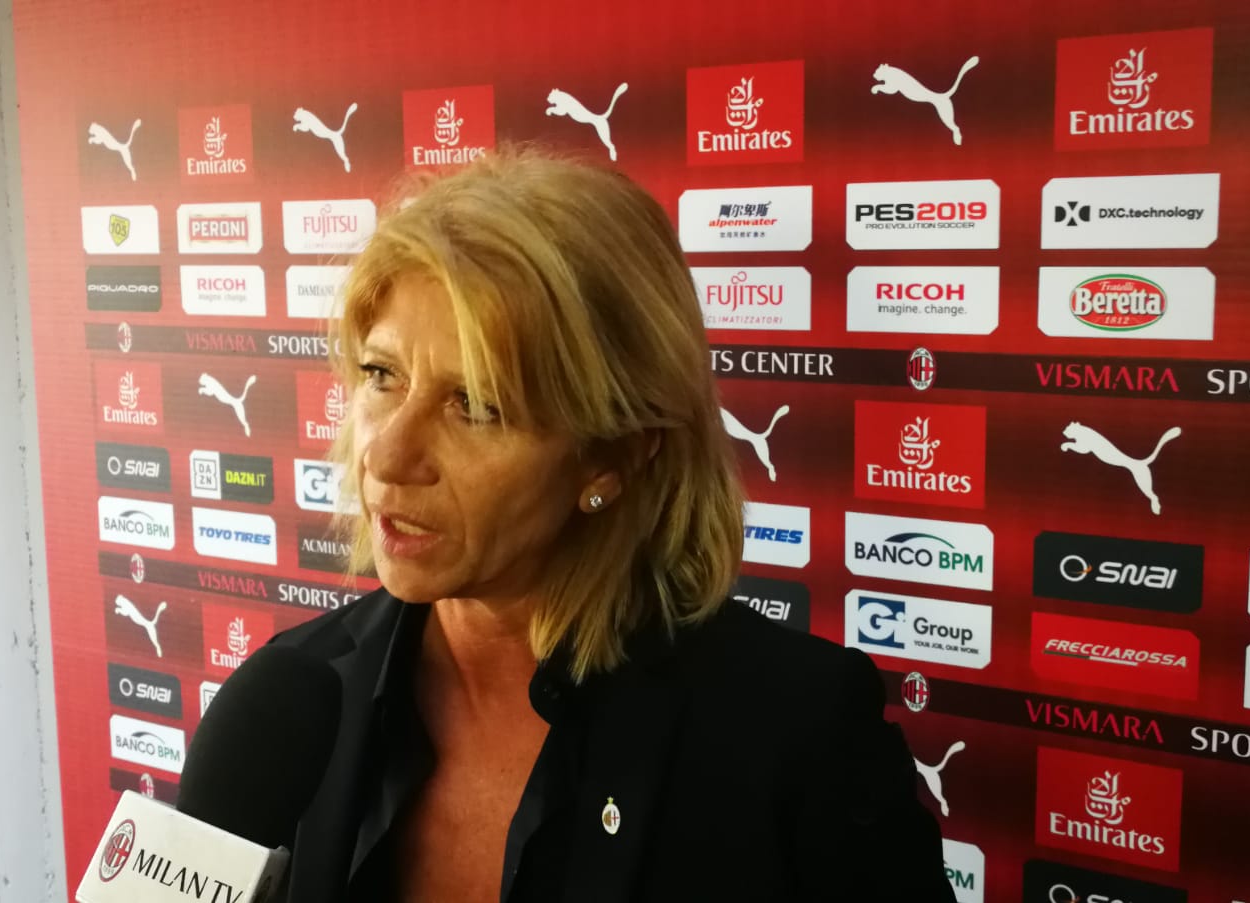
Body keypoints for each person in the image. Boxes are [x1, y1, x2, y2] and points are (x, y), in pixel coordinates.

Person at [237, 147, 953, 902]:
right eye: (382, 375)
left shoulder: (798, 736)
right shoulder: (290, 700)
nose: (385, 455)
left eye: (476, 404)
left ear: (612, 456)